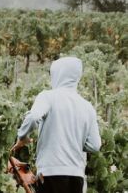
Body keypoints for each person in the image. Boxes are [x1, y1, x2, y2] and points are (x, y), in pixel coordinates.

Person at [11, 57, 101, 192]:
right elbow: (95, 145)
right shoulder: (87, 106)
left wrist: (22, 138)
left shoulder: (48, 97)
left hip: (50, 171)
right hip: (76, 175)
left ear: (57, 74)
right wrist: (74, 140)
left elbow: (33, 117)